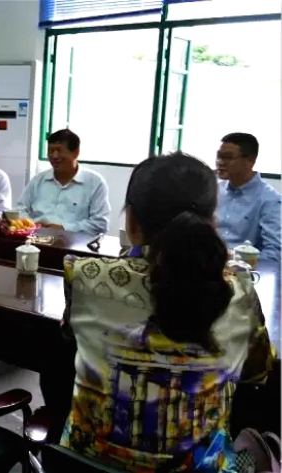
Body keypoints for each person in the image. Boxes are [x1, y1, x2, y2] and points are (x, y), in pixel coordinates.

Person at [42, 152, 273, 473]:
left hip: (84, 464)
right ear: (211, 222)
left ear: (131, 222)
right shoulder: (238, 291)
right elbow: (258, 373)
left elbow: (69, 337)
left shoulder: (84, 275)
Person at [16, 129, 109, 234]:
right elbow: (19, 209)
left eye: (59, 151)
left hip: (74, 241)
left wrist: (64, 228)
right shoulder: (38, 180)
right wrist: (32, 224)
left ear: (76, 153)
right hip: (36, 237)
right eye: (51, 151)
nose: (54, 156)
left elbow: (100, 224)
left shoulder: (95, 183)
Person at [216, 132, 281, 262]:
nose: (220, 162)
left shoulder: (270, 200)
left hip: (243, 268)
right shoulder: (216, 190)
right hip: (209, 263)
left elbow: (274, 252)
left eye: (228, 157)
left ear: (250, 161)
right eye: (219, 156)